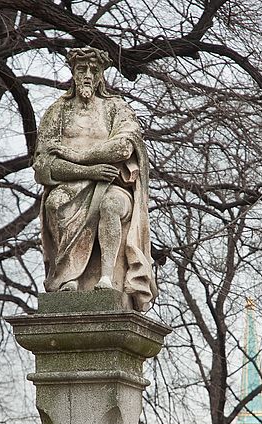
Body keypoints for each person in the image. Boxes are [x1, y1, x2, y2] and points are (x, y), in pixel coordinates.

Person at [33, 47, 157, 311]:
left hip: (111, 186)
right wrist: (89, 170)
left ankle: (107, 278)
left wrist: (71, 154)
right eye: (82, 69)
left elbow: (122, 148)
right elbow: (44, 166)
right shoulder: (57, 111)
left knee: (110, 206)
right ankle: (69, 278)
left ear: (101, 76)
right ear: (73, 74)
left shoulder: (116, 108)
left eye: (94, 70)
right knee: (54, 203)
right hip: (73, 186)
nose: (88, 75)